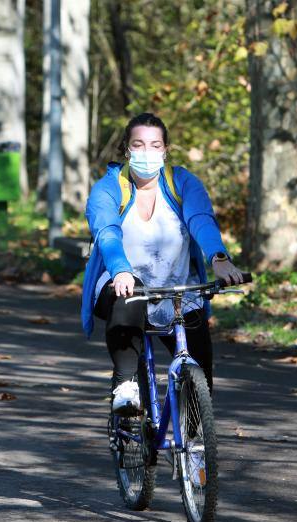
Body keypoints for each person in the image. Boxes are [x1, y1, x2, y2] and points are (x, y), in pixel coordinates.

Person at [81, 112, 244, 415]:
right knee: (128, 301)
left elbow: (201, 221)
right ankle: (126, 384)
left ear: (166, 150)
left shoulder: (182, 182)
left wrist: (218, 258)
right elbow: (107, 233)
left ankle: (195, 450)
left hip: (177, 289)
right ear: (126, 150)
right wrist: (121, 269)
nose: (146, 152)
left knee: (200, 380)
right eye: (138, 144)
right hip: (122, 284)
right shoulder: (107, 189)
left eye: (155, 145)